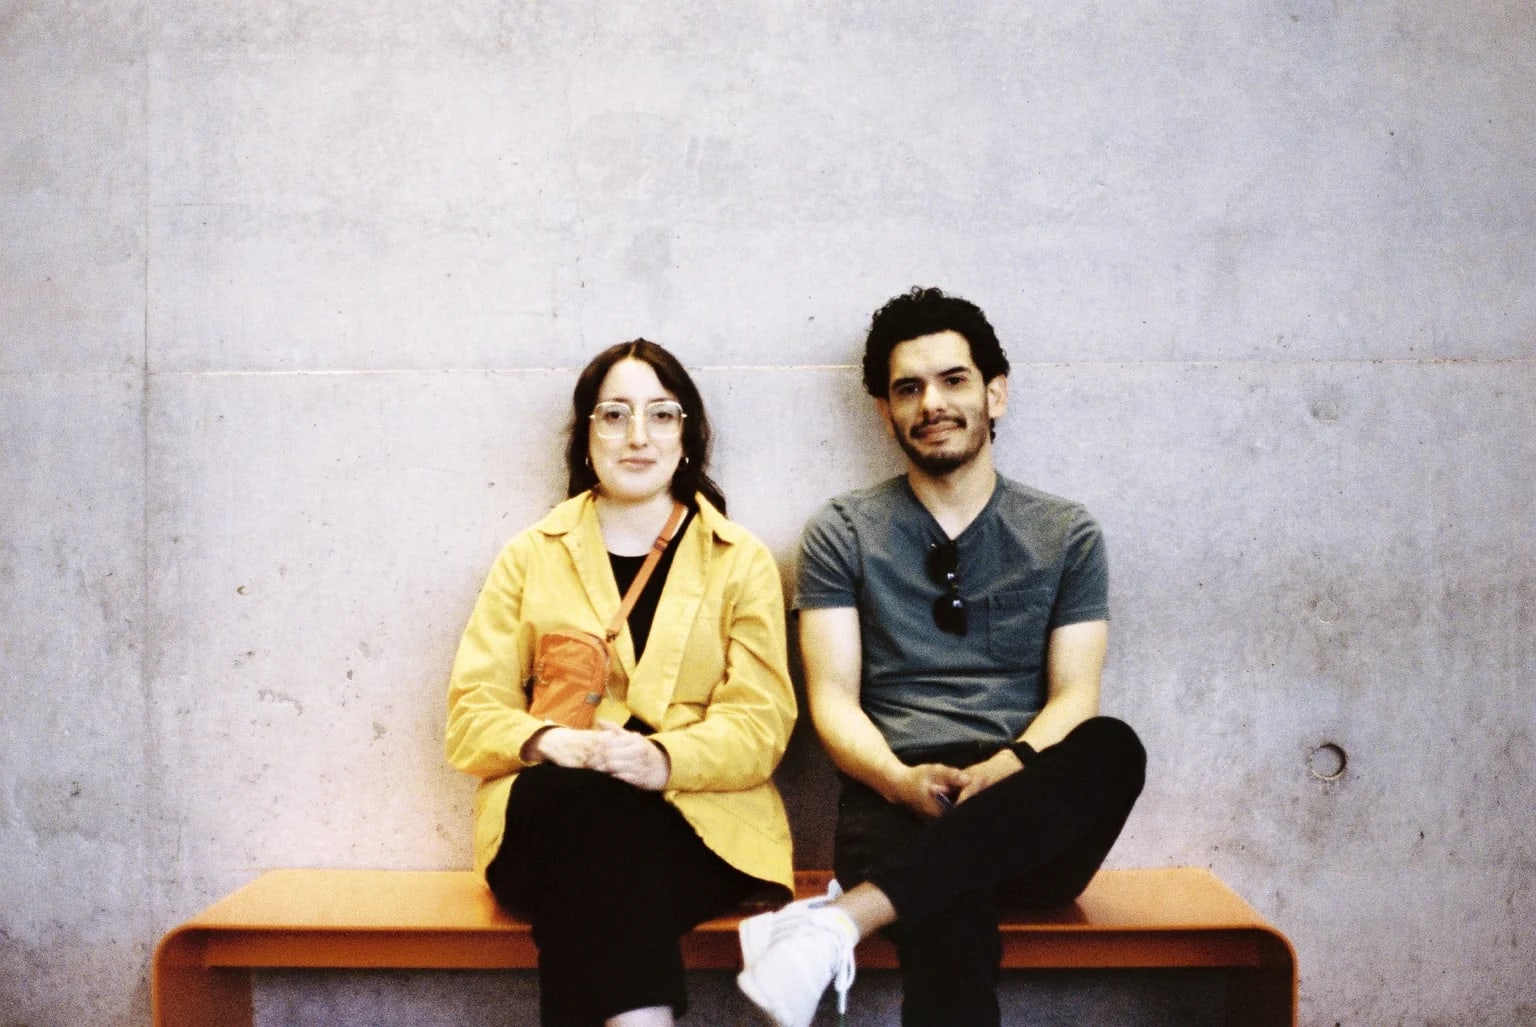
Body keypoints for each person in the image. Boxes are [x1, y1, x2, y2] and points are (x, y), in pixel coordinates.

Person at [736, 287, 1146, 1027]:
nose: (932, 402)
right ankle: (846, 914)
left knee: (1113, 745)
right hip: (894, 803)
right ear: (885, 410)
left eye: (954, 380)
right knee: (951, 920)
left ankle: (836, 923)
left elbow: (1075, 697)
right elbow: (831, 700)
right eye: (908, 388)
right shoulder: (843, 530)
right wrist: (898, 780)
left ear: (996, 393)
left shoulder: (1067, 532)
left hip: (1030, 812)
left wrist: (1008, 767)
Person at [446, 340, 797, 1027]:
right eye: (614, 415)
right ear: (586, 435)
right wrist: (550, 741)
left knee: (598, 864)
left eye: (661, 415)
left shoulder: (740, 560)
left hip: (698, 824)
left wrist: (660, 759)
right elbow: (470, 713)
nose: (638, 435)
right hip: (549, 812)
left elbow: (762, 722)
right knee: (590, 818)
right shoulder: (530, 555)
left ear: (689, 435)